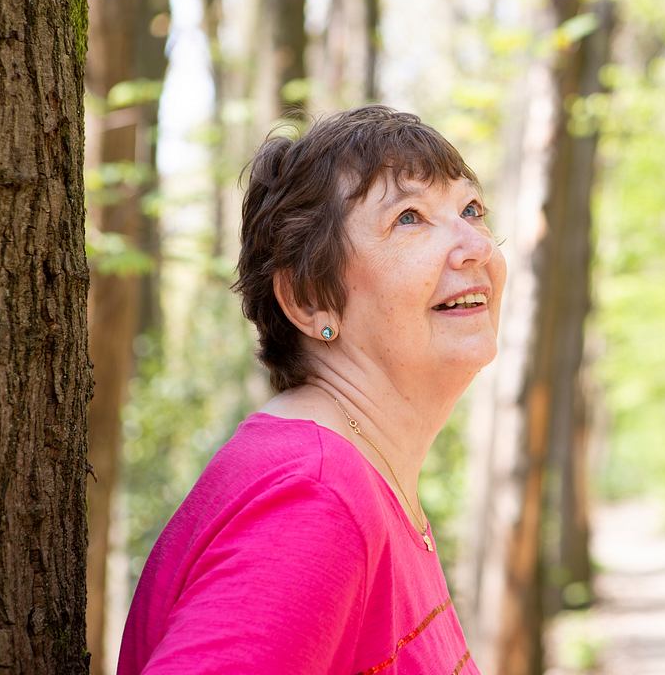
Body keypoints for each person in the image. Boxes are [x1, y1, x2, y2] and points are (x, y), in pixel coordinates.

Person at [116, 106, 503, 674]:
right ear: (308, 299)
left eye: (471, 209)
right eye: (410, 218)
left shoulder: (361, 479)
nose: (477, 246)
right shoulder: (315, 500)